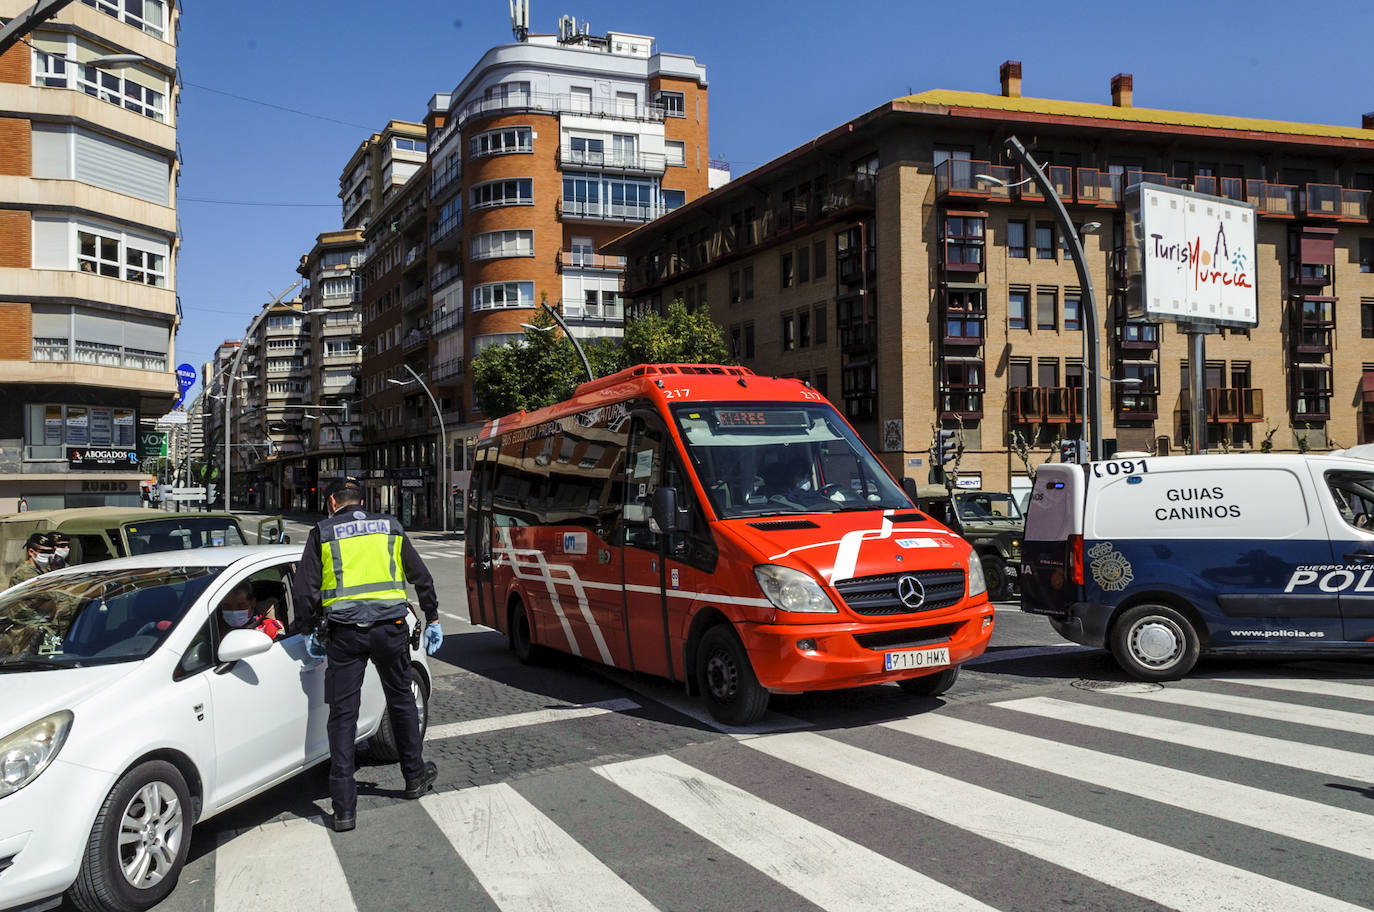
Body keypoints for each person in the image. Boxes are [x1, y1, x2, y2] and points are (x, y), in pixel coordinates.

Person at [292, 478, 442, 833]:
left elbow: (304, 590)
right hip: (390, 628)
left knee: (343, 715)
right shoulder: (389, 527)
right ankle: (414, 777)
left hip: (344, 635)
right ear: (363, 500)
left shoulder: (323, 533)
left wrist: (309, 627)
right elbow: (421, 577)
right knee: (402, 700)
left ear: (331, 502)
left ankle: (343, 809)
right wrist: (432, 617)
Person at [215, 580, 284, 640]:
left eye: (241, 606)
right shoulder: (213, 625)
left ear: (253, 603)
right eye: (227, 607)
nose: (234, 611)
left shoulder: (269, 627)